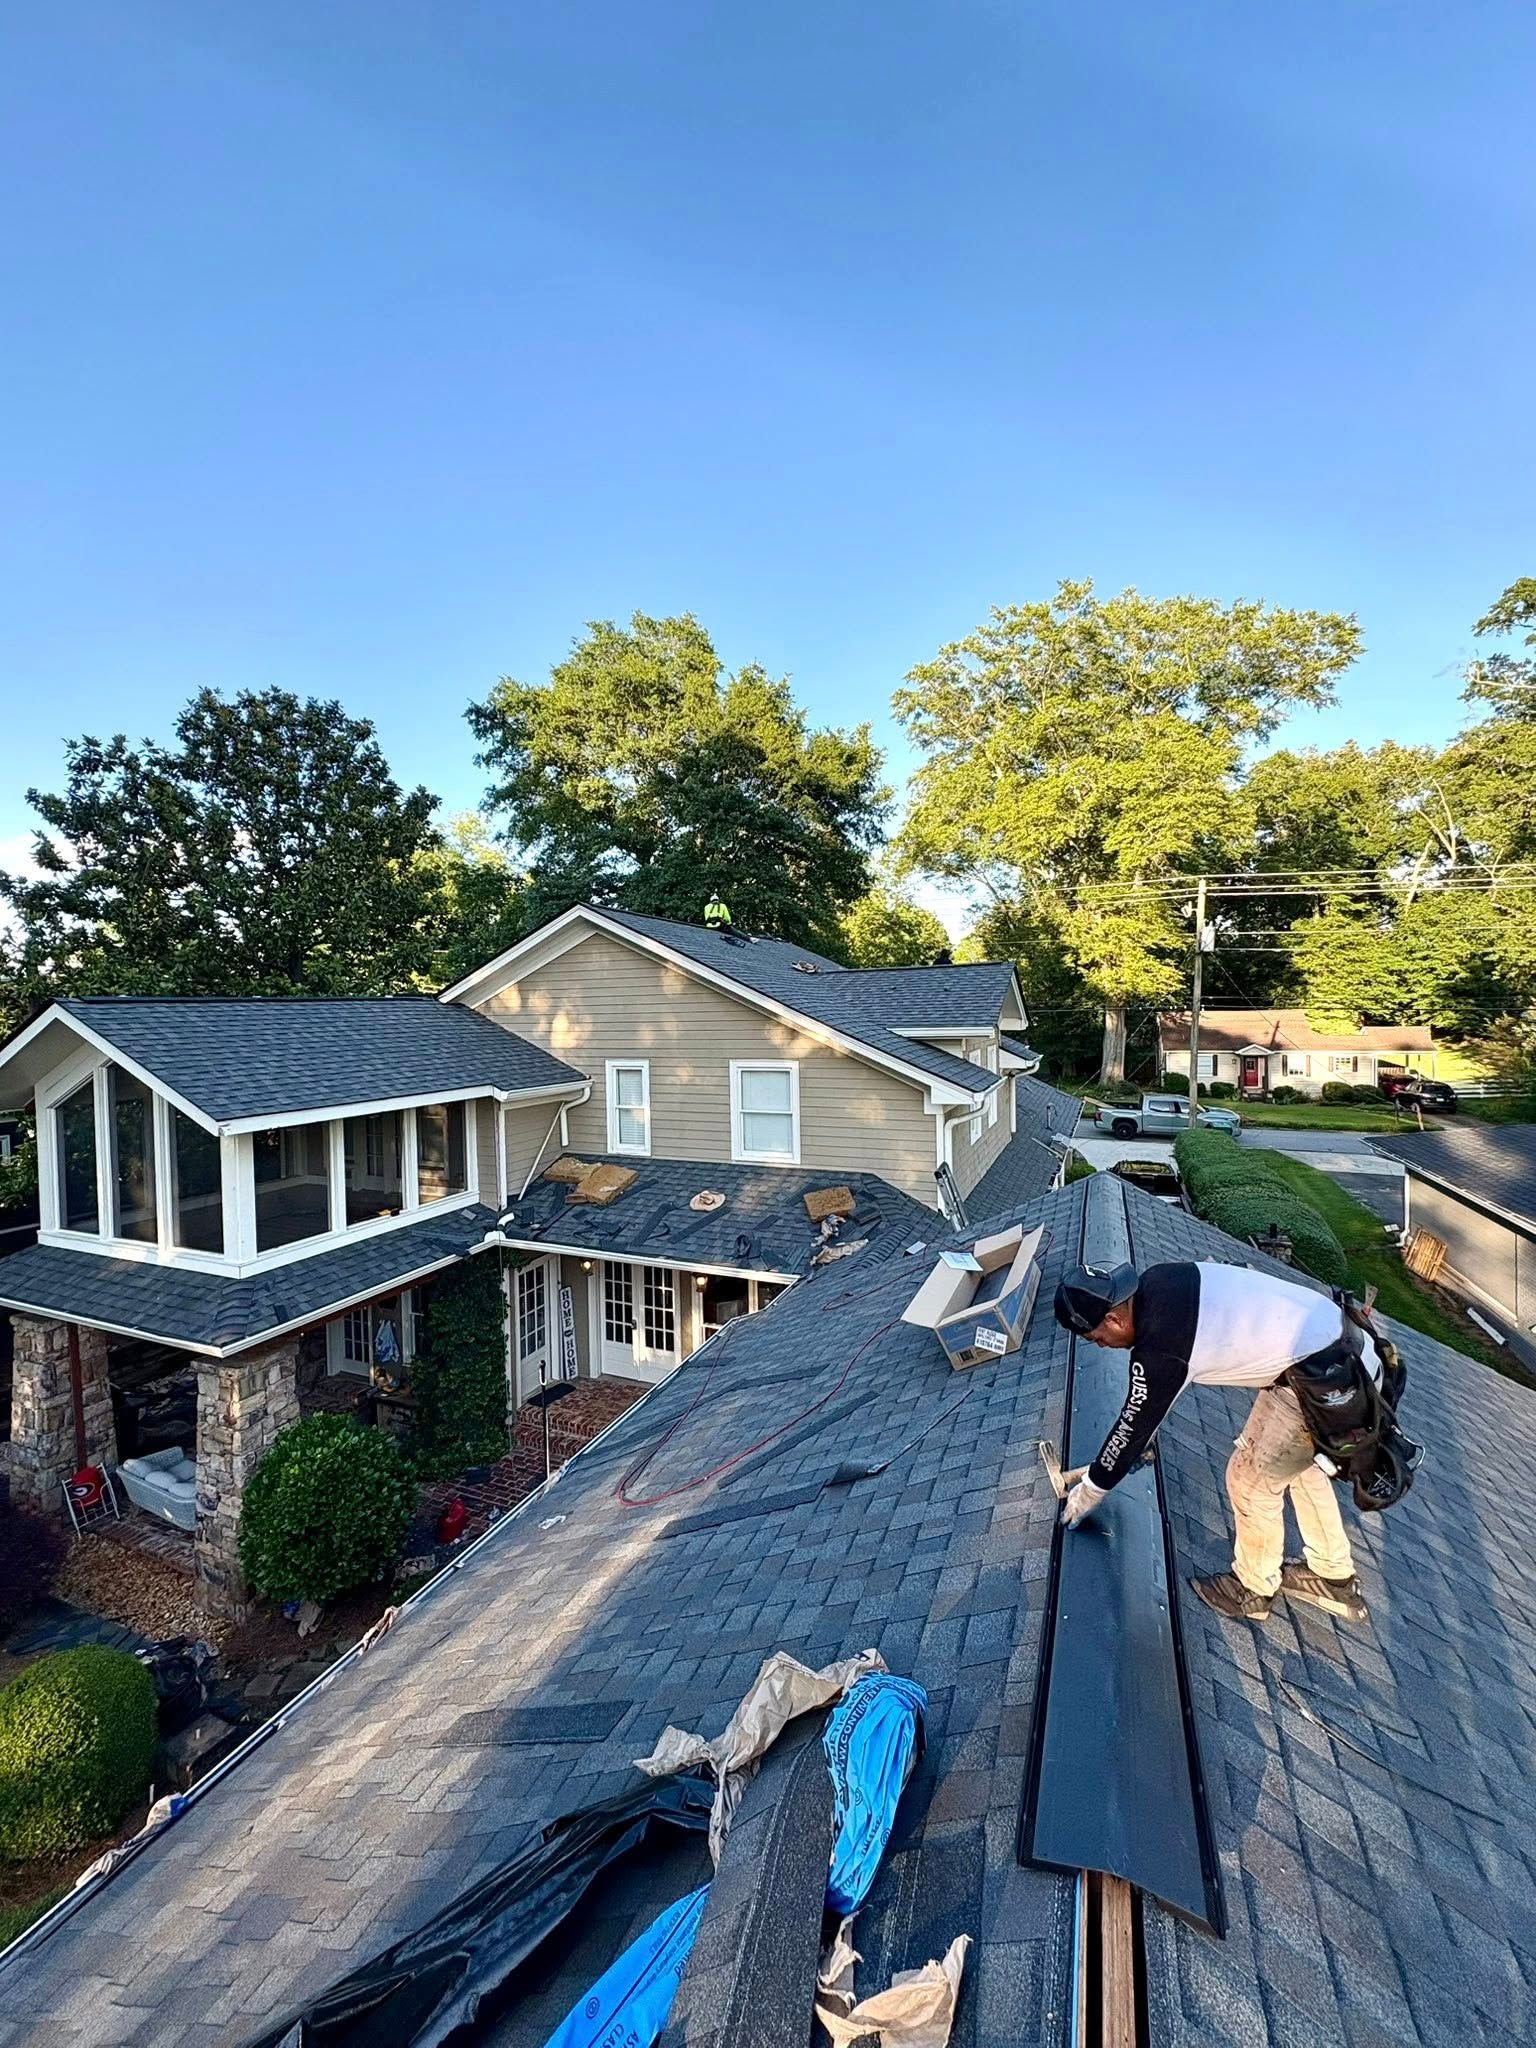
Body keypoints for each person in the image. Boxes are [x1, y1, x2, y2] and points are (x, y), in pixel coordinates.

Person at [1052, 1258, 1369, 1624]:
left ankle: (1253, 1589)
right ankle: (1334, 1578)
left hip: (1324, 1377)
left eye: (1097, 1339)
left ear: (1114, 1319)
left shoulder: (1160, 1345)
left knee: (1250, 1481)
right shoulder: (1159, 1279)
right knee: (1295, 1465)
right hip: (1339, 1350)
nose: (1104, 1346)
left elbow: (1133, 1426)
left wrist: (1092, 1490)